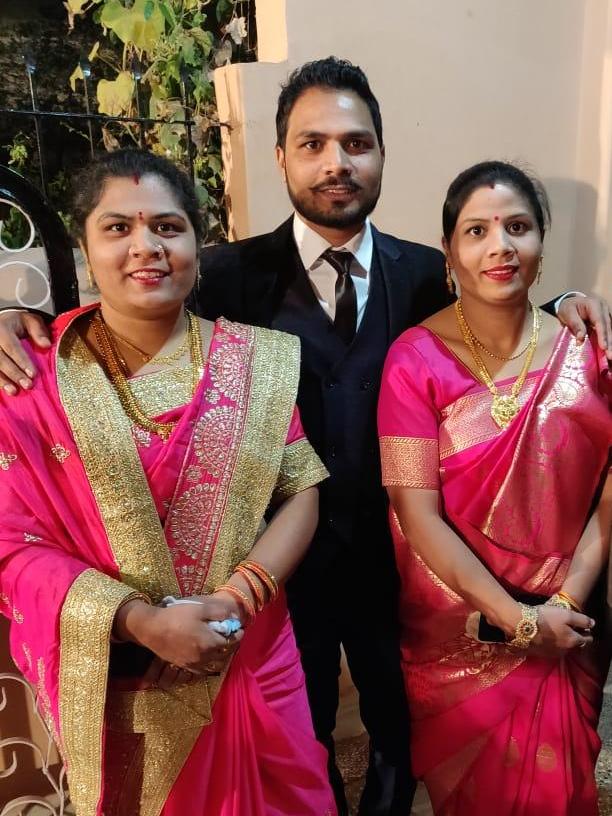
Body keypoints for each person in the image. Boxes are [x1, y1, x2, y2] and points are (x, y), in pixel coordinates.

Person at [0, 58, 610, 816]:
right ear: (282, 156)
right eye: (313, 143)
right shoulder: (219, 273)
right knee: (295, 745)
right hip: (277, 573)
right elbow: (135, 310)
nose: (336, 163)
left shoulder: (428, 270)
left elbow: (499, 318)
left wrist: (570, 299)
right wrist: (16, 321)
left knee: (404, 738)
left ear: (381, 154)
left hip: (408, 565)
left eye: (356, 143)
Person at [0, 149, 337, 816]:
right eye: (117, 228)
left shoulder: (257, 359)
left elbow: (302, 489)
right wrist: (141, 621)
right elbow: (12, 545)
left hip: (249, 652)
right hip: (126, 681)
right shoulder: (32, 375)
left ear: (196, 246)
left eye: (167, 227)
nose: (145, 247)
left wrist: (239, 598)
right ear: (84, 249)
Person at [378, 161, 612, 815]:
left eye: (518, 227)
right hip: (460, 628)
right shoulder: (412, 360)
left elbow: (610, 491)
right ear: (449, 251)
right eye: (476, 231)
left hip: (569, 617)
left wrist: (564, 603)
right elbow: (415, 513)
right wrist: (520, 622)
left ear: (541, 242)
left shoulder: (587, 349)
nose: (500, 246)